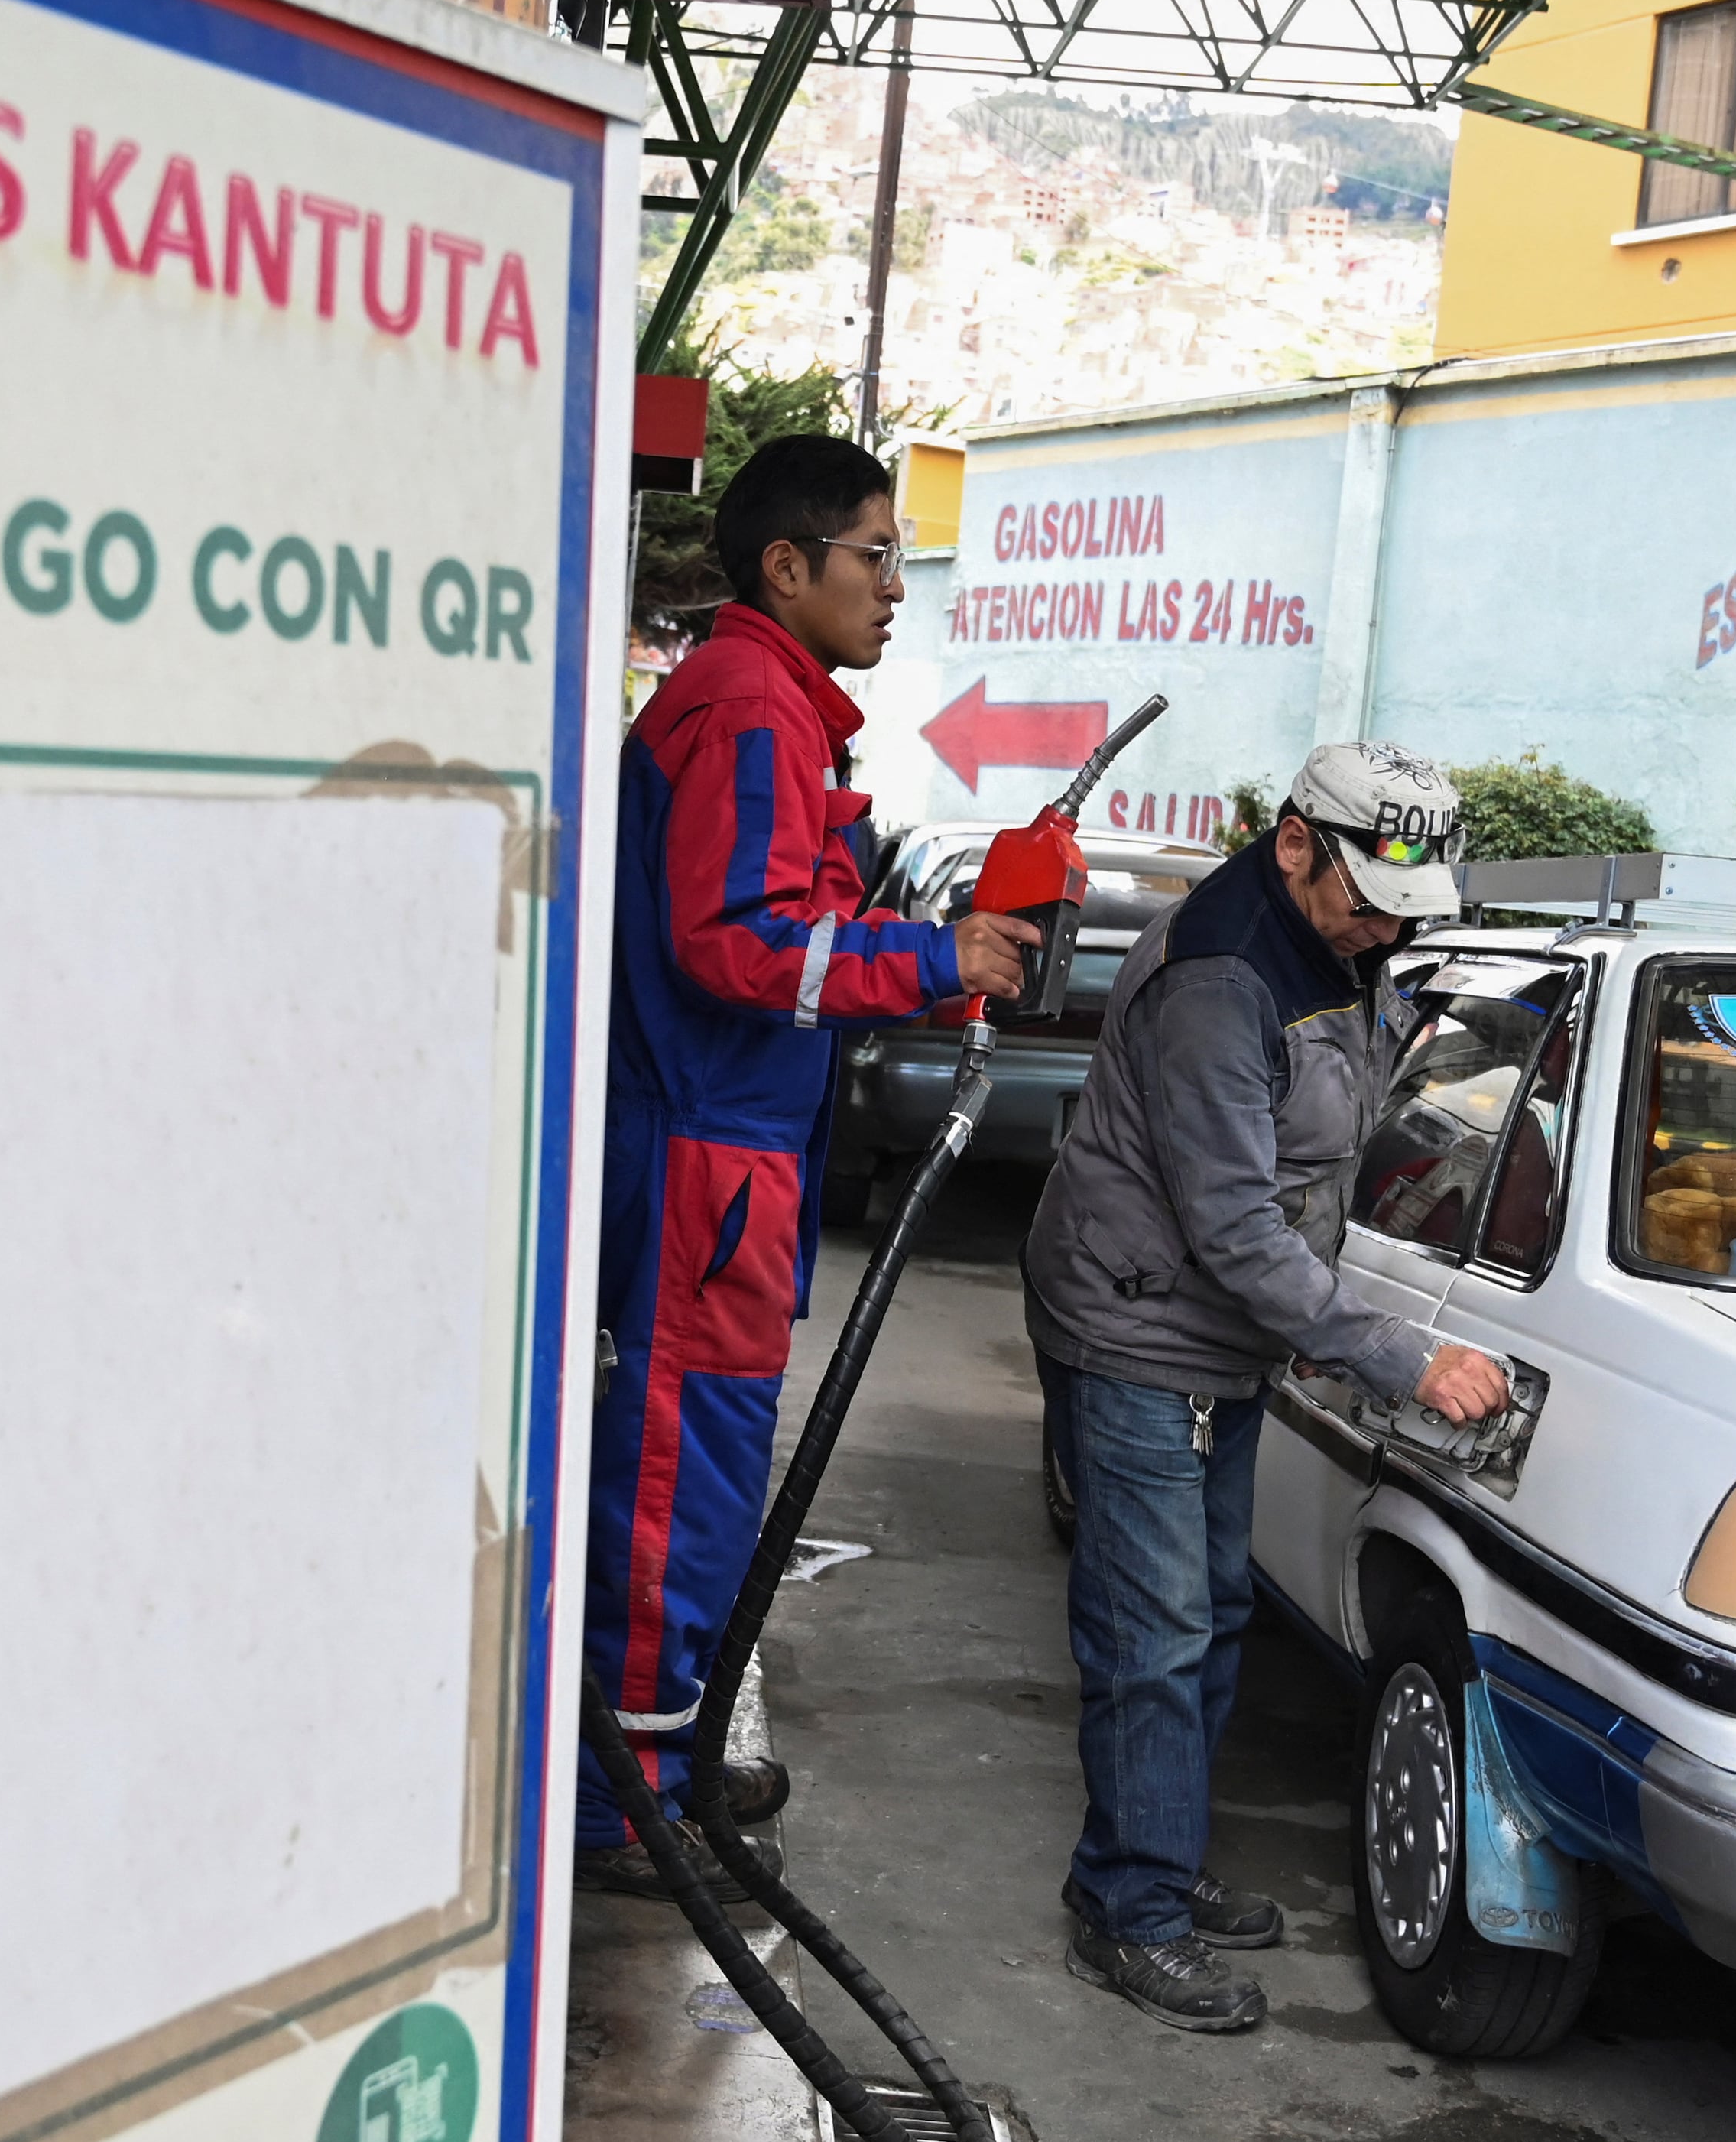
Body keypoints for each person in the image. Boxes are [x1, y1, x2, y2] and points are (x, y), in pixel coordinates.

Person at [577, 435, 1040, 1900]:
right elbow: (735, 941)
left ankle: (668, 1752)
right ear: (788, 566)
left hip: (735, 1158)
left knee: (703, 1481)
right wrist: (935, 956)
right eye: (877, 556)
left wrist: (940, 945)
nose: (897, 587)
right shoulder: (747, 709)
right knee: (677, 1484)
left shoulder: (772, 709)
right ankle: (626, 1805)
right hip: (702, 1160)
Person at [1020, 742, 1511, 2028]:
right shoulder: (1223, 980)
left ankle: (1155, 1853)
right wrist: (1402, 1355)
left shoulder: (1338, 943)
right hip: (1140, 1325)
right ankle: (1128, 1913)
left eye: (1409, 909)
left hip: (1217, 1334)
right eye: (1371, 902)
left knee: (1212, 1612)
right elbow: (1237, 1227)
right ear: (1295, 844)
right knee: (1155, 1632)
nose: (1388, 931)